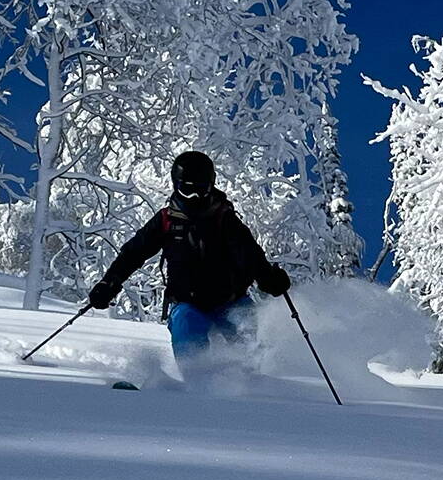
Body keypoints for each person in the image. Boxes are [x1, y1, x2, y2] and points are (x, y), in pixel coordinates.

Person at [87, 151, 292, 357]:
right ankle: (196, 383)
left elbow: (251, 254)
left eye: (200, 190)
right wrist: (109, 283)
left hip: (231, 303)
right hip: (188, 305)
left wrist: (269, 278)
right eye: (186, 190)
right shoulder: (167, 220)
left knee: (247, 349)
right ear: (176, 186)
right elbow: (133, 253)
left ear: (210, 186)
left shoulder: (225, 219)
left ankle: (253, 382)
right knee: (189, 337)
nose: (194, 197)